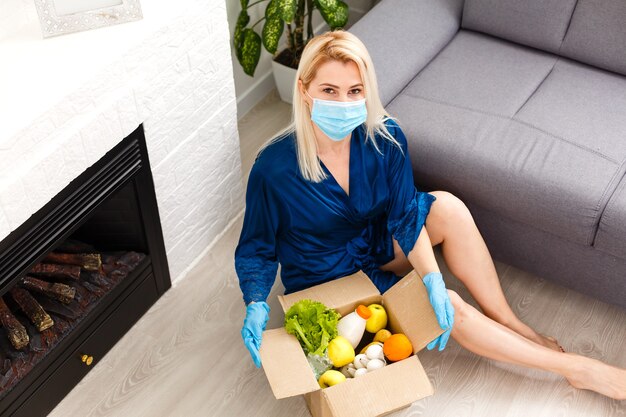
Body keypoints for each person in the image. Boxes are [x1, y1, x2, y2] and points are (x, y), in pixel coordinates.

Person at [234, 30, 626, 401]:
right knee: (452, 307)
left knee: (448, 208)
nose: (343, 103)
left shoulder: (383, 138)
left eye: (355, 91)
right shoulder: (274, 167)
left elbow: (405, 215)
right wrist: (255, 303)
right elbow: (256, 249)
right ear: (304, 91)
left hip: (372, 245)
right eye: (329, 91)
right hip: (327, 277)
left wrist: (432, 277)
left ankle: (513, 324)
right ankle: (575, 368)